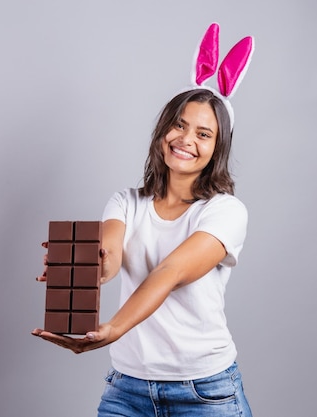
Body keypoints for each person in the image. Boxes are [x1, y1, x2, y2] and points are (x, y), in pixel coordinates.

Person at [32, 23, 255, 417]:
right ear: (162, 131)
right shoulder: (126, 202)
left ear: (217, 149)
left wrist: (113, 329)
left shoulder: (225, 211)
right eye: (180, 124)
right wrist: (80, 263)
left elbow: (169, 272)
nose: (187, 139)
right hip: (127, 390)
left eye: (204, 134)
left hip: (205, 391)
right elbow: (111, 256)